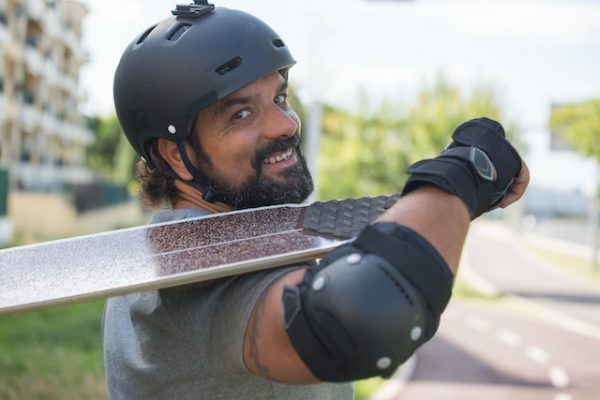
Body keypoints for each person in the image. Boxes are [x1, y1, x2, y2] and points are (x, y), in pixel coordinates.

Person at [102, 1, 530, 399]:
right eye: (241, 113)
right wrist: (466, 172)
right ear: (176, 154)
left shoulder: (206, 243)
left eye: (280, 98)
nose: (285, 124)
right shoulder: (191, 270)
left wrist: (459, 198)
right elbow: (359, 318)